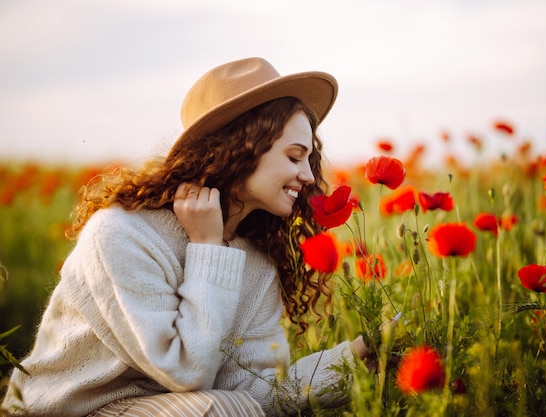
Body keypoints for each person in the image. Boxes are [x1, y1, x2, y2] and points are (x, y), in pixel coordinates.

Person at [1, 57, 371, 417]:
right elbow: (185, 371)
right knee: (213, 411)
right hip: (68, 410)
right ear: (241, 148)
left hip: (173, 408)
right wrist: (207, 248)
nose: (308, 175)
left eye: (309, 159)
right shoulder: (123, 235)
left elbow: (256, 393)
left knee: (227, 408)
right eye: (294, 157)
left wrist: (355, 359)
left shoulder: (257, 261)